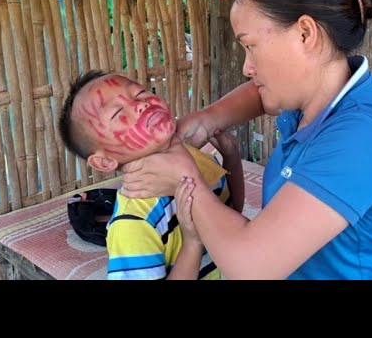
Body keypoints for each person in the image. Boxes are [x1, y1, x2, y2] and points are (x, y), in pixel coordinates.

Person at [119, 0, 372, 280]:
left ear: (305, 34)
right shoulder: (314, 99)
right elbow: (257, 95)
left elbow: (251, 267)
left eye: (250, 47)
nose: (247, 67)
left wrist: (184, 178)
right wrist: (207, 119)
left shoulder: (361, 138)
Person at [58, 70, 244, 280]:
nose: (141, 104)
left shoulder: (197, 162)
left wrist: (232, 158)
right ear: (104, 161)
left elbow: (233, 215)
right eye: (118, 113)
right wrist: (193, 242)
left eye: (140, 93)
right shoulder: (133, 223)